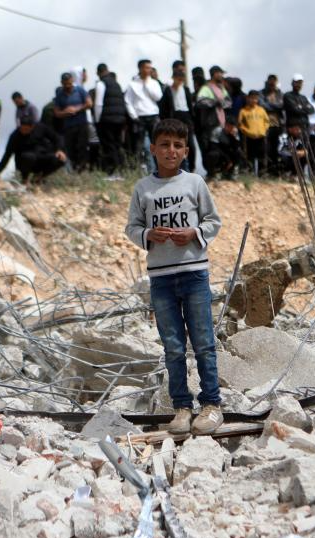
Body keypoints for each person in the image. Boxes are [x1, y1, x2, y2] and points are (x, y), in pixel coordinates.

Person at [124, 118, 224, 436]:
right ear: (153, 149)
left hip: (194, 274)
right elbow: (132, 227)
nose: (171, 150)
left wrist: (194, 233)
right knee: (173, 346)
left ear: (186, 151)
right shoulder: (143, 188)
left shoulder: (195, 183)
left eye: (178, 145)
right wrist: (148, 234)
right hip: (162, 279)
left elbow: (213, 221)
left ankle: (211, 405)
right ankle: (181, 407)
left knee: (204, 342)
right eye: (165, 145)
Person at [0, 112, 67, 183]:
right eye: (22, 129)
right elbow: (7, 155)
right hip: (23, 161)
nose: (24, 131)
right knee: (29, 157)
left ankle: (39, 178)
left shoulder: (41, 128)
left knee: (61, 159)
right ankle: (24, 180)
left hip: (40, 157)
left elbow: (57, 138)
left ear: (32, 127)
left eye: (26, 129)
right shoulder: (14, 136)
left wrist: (59, 150)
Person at [124, 59, 163, 170]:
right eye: (147, 68)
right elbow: (128, 101)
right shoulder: (132, 84)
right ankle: (137, 170)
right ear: (140, 68)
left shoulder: (154, 83)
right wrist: (134, 116)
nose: (149, 70)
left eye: (150, 68)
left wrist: (147, 84)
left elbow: (158, 97)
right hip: (139, 118)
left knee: (157, 144)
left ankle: (160, 170)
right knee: (139, 145)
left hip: (153, 116)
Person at [159, 66, 197, 171]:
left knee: (191, 144)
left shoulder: (186, 89)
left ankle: (192, 168)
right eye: (178, 79)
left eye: (181, 79)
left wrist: (192, 120)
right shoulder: (168, 90)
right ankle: (180, 168)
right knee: (177, 143)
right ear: (173, 78)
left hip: (186, 117)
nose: (179, 81)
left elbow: (190, 106)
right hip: (174, 118)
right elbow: (163, 108)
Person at [53, 72, 92, 172]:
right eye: (65, 84)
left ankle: (82, 169)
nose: (67, 86)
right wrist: (66, 112)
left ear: (72, 81)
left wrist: (77, 109)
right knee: (71, 150)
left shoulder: (80, 90)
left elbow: (89, 103)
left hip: (81, 124)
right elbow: (57, 113)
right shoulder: (59, 95)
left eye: (69, 83)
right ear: (62, 83)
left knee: (82, 147)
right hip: (68, 127)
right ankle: (75, 169)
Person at [93, 63, 127, 173]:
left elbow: (98, 104)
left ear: (98, 73)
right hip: (120, 119)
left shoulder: (101, 83)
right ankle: (121, 170)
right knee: (117, 145)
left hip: (106, 120)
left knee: (108, 146)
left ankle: (112, 171)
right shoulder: (117, 84)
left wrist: (97, 120)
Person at [238, 90, 269, 174]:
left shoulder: (261, 110)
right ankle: (250, 172)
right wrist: (246, 131)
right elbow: (240, 123)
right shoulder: (243, 111)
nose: (253, 100)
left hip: (261, 136)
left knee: (262, 154)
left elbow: (266, 121)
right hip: (249, 137)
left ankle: (262, 173)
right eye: (251, 98)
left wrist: (264, 130)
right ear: (248, 98)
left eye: (255, 98)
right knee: (250, 155)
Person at [260, 74, 285, 174]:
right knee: (265, 148)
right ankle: (264, 171)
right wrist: (275, 106)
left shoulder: (280, 94)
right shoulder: (261, 93)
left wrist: (270, 105)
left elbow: (282, 106)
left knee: (277, 148)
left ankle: (274, 171)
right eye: (270, 81)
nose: (272, 83)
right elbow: (262, 105)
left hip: (278, 125)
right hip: (264, 125)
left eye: (274, 82)